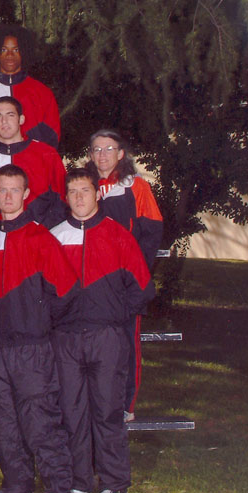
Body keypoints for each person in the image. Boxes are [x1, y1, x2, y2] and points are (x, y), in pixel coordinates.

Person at [50, 167, 155, 493]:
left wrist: (110, 314)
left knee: (108, 413)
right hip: (65, 340)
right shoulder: (55, 236)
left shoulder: (118, 235)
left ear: (97, 194)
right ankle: (80, 486)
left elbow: (142, 288)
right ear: (66, 197)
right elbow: (41, 290)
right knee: (72, 414)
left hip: (106, 337)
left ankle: (113, 488)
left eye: (85, 190)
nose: (79, 197)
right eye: (72, 191)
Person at [0, 164, 78, 493]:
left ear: (26, 195)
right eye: (1, 190)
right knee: (5, 422)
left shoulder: (40, 238)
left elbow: (65, 290)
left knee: (40, 421)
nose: (7, 196)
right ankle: (17, 489)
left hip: (31, 349)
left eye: (14, 190)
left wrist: (36, 319)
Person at [85, 129, 164, 420]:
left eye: (108, 149)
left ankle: (125, 404)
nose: (102, 155)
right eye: (96, 149)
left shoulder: (136, 186)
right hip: (92, 284)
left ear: (121, 154)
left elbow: (151, 233)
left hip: (125, 283)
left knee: (126, 343)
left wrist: (132, 277)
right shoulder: (85, 185)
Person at [0, 24, 61, 149]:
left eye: (16, 50)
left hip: (31, 167)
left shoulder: (42, 93)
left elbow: (51, 140)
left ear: (23, 53)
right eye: (4, 50)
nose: (10, 55)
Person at [0, 96, 65, 228]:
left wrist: (44, 232)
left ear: (21, 119)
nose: (4, 121)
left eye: (10, 115)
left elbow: (62, 199)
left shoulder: (46, 154)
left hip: (40, 237)